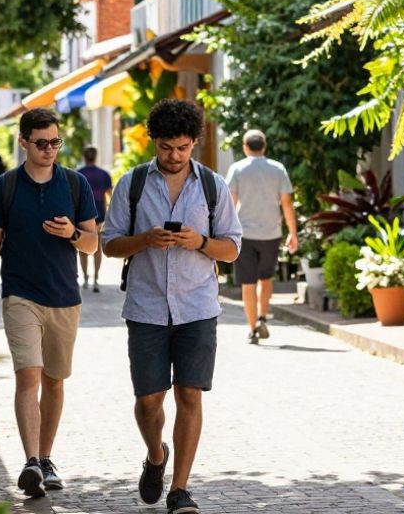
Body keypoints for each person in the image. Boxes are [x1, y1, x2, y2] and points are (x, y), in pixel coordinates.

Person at [103, 99, 242, 514]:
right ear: (154, 143)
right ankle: (156, 456)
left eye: (182, 147)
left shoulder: (213, 186)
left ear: (194, 143)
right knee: (149, 401)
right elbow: (110, 244)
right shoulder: (132, 184)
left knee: (190, 394)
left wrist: (199, 242)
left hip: (198, 308)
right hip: (145, 308)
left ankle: (180, 489)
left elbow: (232, 248)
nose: (174, 156)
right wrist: (145, 239)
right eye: (166, 147)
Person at [0, 108, 99, 498]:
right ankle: (30, 461)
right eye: (41, 143)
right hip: (20, 295)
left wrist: (73, 233)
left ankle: (46, 459)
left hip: (65, 297)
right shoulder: (5, 187)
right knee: (28, 375)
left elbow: (95, 242)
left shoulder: (76, 185)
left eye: (55, 142)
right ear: (24, 142)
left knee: (55, 382)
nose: (49, 150)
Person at [225, 129, 298, 344]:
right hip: (271, 233)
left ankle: (252, 328)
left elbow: (230, 202)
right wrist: (292, 232)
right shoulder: (278, 169)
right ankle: (262, 317)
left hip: (244, 234)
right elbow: (287, 203)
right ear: (264, 147)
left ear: (245, 147)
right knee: (265, 278)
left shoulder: (237, 169)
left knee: (247, 283)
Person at [77, 146, 114, 292]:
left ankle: (85, 278)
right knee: (97, 247)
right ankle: (96, 279)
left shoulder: (78, 174)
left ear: (84, 157)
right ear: (96, 156)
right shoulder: (104, 174)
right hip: (99, 214)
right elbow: (110, 196)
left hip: (82, 215)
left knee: (83, 247)